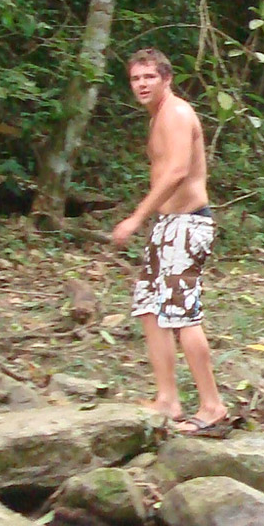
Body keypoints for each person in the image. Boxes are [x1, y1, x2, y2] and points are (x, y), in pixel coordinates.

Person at [111, 48, 230, 435]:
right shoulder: (157, 117)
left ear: (166, 79)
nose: (142, 85)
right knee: (149, 308)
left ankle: (212, 405)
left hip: (188, 224)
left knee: (182, 315)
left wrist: (136, 217)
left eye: (149, 77)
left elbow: (178, 171)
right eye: (135, 79)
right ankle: (168, 399)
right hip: (168, 225)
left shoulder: (177, 113)